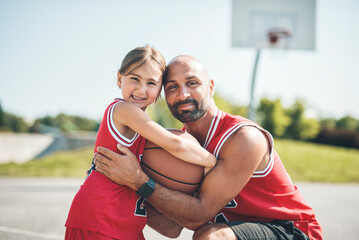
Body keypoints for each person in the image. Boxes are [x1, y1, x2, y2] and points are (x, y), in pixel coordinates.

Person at [93, 55, 323, 240]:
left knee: (210, 237)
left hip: (291, 230)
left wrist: (138, 181)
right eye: (172, 87)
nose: (182, 94)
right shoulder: (179, 148)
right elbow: (171, 227)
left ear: (211, 86)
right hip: (236, 230)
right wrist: (120, 182)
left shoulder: (243, 137)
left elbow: (198, 217)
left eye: (192, 83)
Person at [65, 48, 216, 240]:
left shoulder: (141, 122)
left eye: (151, 83)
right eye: (134, 79)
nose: (141, 89)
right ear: (120, 79)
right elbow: (174, 144)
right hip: (99, 216)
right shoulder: (123, 109)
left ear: (159, 89)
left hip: (122, 220)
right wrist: (210, 161)